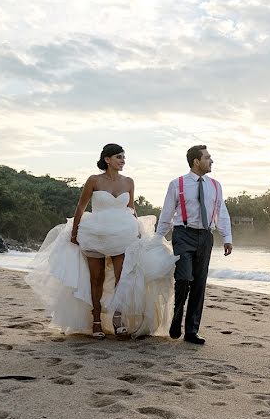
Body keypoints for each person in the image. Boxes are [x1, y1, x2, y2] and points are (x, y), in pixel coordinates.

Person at [26, 144, 177, 339]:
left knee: (122, 278)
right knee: (96, 279)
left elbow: (131, 208)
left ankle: (118, 319)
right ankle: (96, 321)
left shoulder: (129, 182)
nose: (122, 160)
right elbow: (81, 207)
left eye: (124, 157)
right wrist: (74, 233)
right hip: (95, 233)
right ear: (107, 159)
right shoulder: (94, 180)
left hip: (123, 234)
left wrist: (139, 230)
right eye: (118, 157)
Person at [156, 144, 233, 344]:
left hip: (206, 236)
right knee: (183, 278)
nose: (212, 161)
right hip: (183, 234)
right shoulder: (177, 184)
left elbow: (221, 212)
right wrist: (157, 239)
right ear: (196, 161)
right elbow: (166, 213)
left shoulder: (215, 185)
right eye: (208, 158)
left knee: (199, 283)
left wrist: (227, 238)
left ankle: (191, 331)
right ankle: (177, 316)